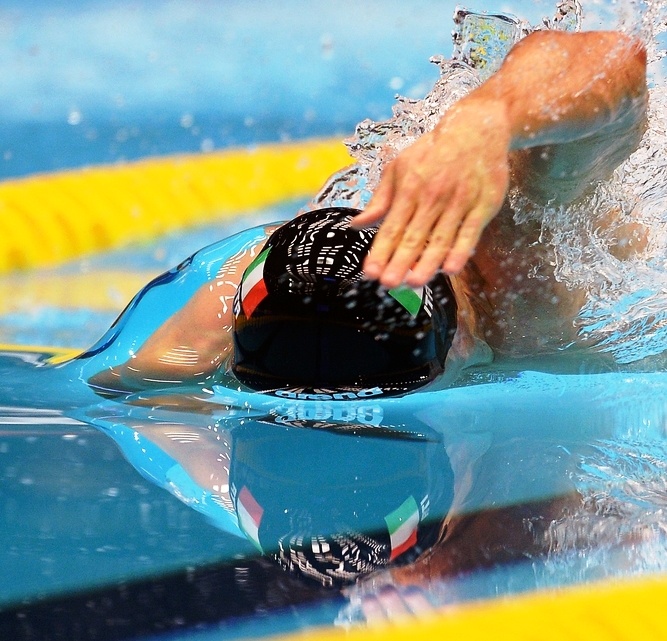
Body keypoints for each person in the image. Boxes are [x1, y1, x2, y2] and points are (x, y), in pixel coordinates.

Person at [84, 27, 648, 398]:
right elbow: (126, 389)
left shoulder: (523, 249)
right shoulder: (254, 294)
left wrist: (483, 124)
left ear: (461, 346)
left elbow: (614, 65)